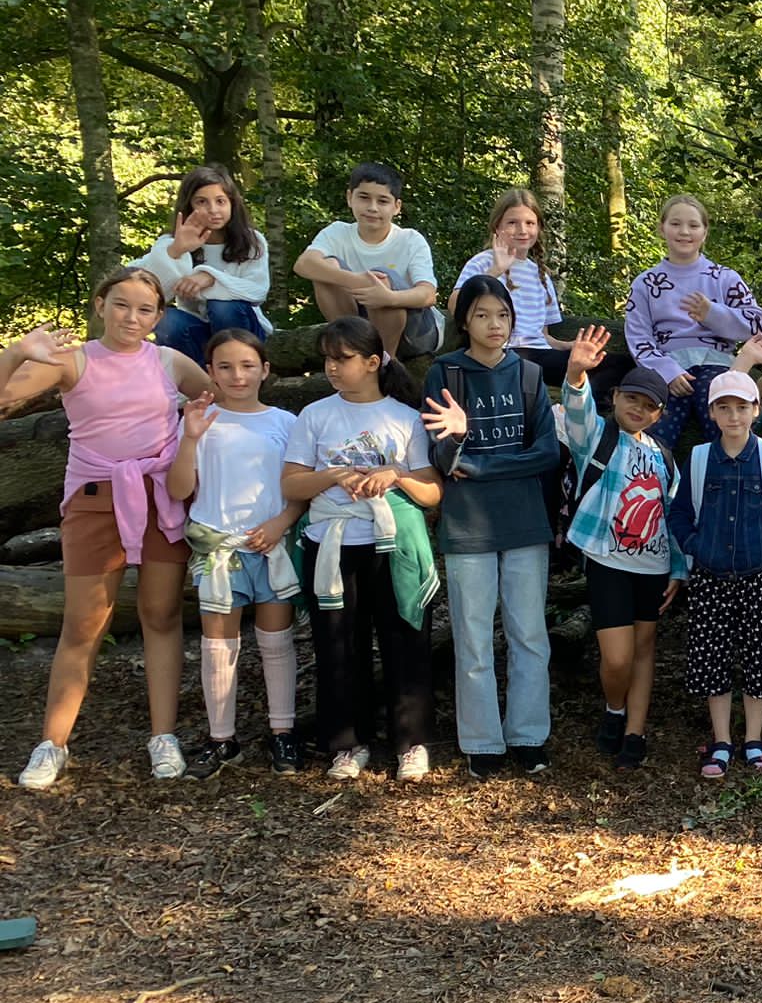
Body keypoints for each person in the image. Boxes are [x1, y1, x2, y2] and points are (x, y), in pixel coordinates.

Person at [4, 270, 212, 789]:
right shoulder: (73, 360)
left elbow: (219, 396)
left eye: (145, 309)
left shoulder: (169, 361)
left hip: (161, 498)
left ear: (158, 316)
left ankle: (163, 736)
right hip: (95, 501)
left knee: (161, 614)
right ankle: (52, 744)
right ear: (100, 305)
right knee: (83, 624)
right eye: (121, 305)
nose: (131, 318)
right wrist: (17, 352)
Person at [281, 317, 443, 782]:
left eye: (343, 358)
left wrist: (396, 475)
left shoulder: (405, 417)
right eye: (327, 359)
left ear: (373, 362)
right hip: (332, 545)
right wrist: (333, 475)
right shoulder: (315, 416)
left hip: (393, 546)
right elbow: (291, 484)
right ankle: (347, 744)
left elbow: (432, 492)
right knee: (338, 645)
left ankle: (411, 742)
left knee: (404, 639)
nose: (332, 367)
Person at [420, 274, 562, 778]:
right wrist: (460, 442)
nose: (494, 324)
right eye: (482, 315)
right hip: (467, 528)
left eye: (502, 315)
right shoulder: (445, 372)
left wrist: (478, 465)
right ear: (465, 321)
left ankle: (528, 736)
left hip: (525, 522)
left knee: (530, 636)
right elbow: (442, 458)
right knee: (473, 637)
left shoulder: (528, 374)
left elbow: (547, 453)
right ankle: (482, 742)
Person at [166, 329, 305, 779]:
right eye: (225, 367)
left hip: (272, 545)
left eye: (247, 365)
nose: (237, 375)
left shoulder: (285, 423)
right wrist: (190, 438)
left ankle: (282, 732)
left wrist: (282, 522)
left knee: (276, 641)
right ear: (210, 371)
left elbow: (299, 488)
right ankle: (221, 738)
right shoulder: (199, 420)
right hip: (219, 549)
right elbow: (179, 489)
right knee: (219, 645)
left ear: (265, 370)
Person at [669, 369, 762, 777]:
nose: (733, 416)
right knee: (712, 657)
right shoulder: (699, 459)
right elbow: (679, 513)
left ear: (756, 410)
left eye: (741, 407)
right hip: (710, 575)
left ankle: (754, 739)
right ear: (712, 413)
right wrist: (696, 546)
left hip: (757, 575)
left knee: (758, 658)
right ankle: (721, 741)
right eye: (724, 408)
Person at [559, 333, 685, 771]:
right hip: (607, 561)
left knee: (645, 647)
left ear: (659, 414)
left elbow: (673, 515)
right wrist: (576, 372)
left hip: (654, 565)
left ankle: (635, 729)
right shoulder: (598, 437)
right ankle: (615, 708)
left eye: (649, 405)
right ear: (614, 396)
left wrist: (679, 568)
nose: (638, 409)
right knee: (617, 657)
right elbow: (577, 409)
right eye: (631, 398)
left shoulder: (664, 457)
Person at [625, 193, 762, 447]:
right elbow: (638, 336)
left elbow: (758, 323)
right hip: (667, 366)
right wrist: (667, 371)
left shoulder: (724, 277)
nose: (684, 232)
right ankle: (649, 470)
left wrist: (713, 314)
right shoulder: (645, 283)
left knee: (723, 412)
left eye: (693, 225)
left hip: (716, 364)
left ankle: (730, 468)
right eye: (675, 224)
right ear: (662, 228)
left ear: (705, 232)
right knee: (656, 427)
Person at [457, 188, 630, 400]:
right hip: (503, 350)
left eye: (530, 223)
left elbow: (543, 336)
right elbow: (456, 306)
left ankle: (577, 404)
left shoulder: (540, 274)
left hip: (539, 355)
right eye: (512, 223)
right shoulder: (483, 262)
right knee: (526, 366)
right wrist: (496, 271)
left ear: (538, 228)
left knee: (621, 365)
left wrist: (570, 347)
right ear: (497, 227)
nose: (522, 230)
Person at [294, 162, 442, 364]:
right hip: (361, 321)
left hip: (414, 333)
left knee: (381, 276)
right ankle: (351, 346)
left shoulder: (410, 240)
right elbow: (304, 264)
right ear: (350, 198)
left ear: (396, 207)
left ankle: (385, 363)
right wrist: (357, 280)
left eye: (382, 201)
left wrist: (389, 298)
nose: (372, 208)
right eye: (364, 198)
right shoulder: (337, 232)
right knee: (326, 266)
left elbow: (428, 294)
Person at [137, 166, 272, 363]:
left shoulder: (251, 240)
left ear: (232, 203)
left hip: (242, 331)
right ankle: (203, 378)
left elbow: (258, 290)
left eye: (220, 201)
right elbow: (146, 292)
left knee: (222, 307)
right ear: (189, 206)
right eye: (202, 202)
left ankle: (238, 368)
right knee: (165, 319)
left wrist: (209, 277)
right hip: (195, 332)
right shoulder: (171, 243)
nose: (213, 210)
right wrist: (176, 251)